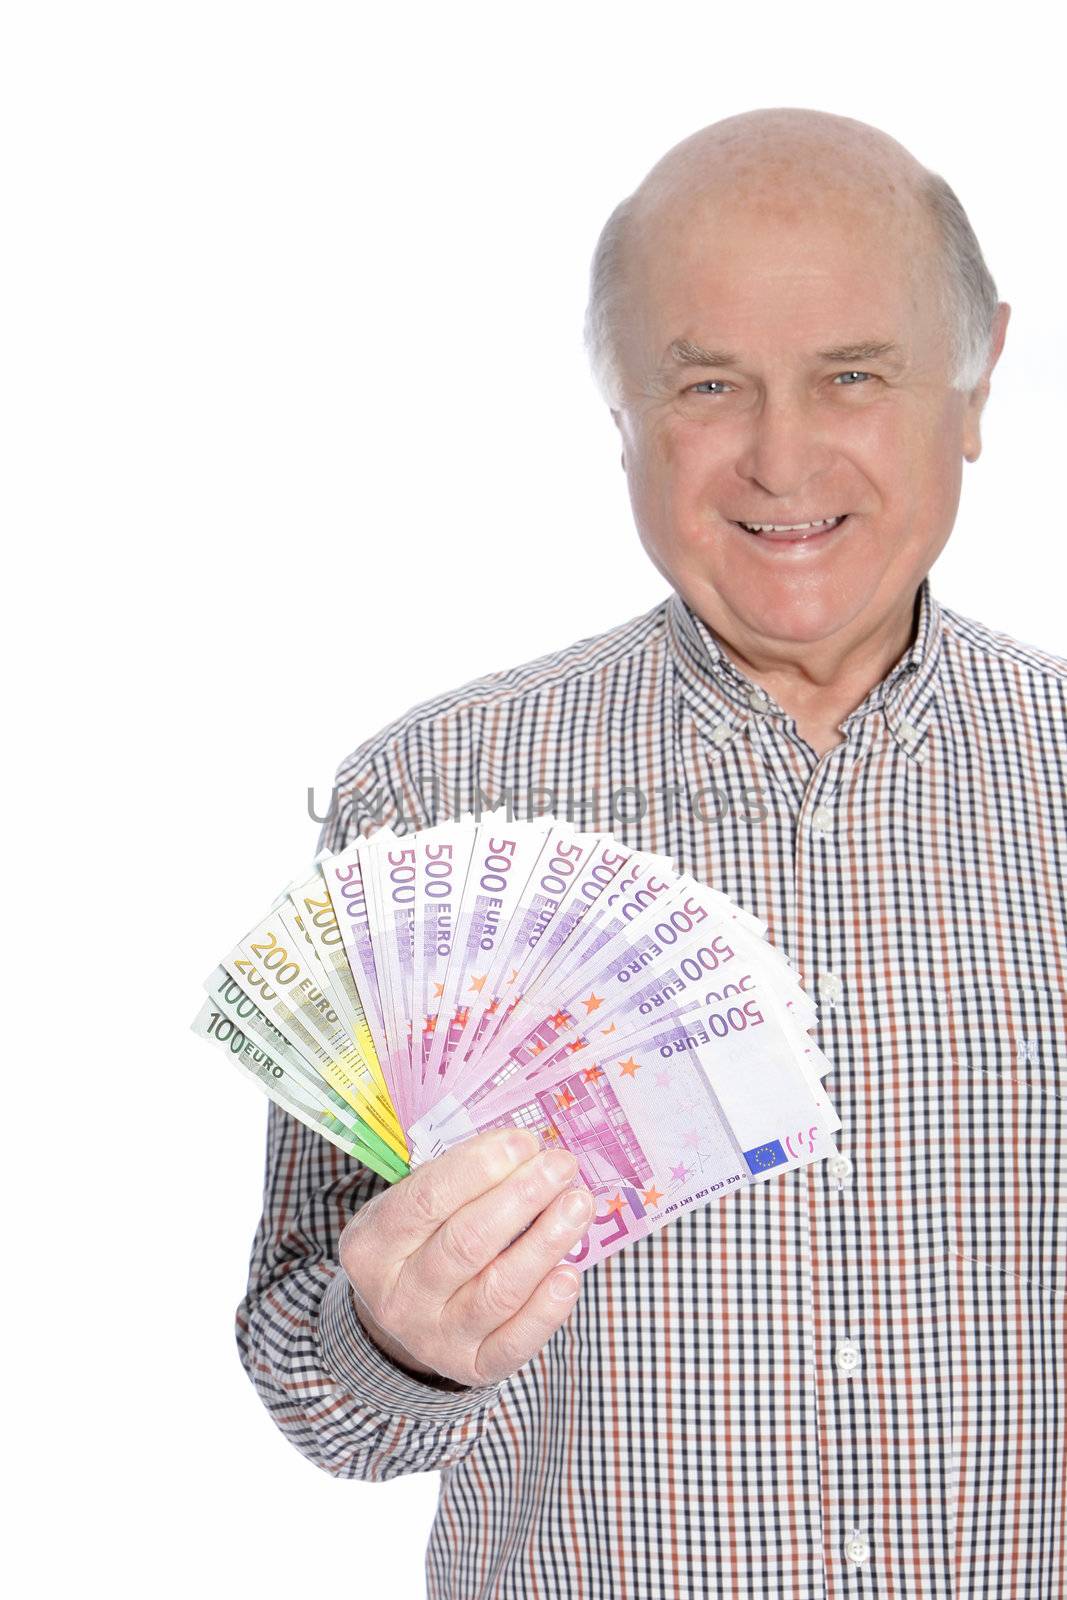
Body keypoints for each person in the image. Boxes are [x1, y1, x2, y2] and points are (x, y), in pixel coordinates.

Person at [237, 107, 1066, 1599]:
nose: (780, 457)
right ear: (619, 404)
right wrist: (396, 1342)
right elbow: (309, 1381)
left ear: (976, 378)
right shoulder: (428, 801)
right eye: (707, 385)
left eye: (853, 376)